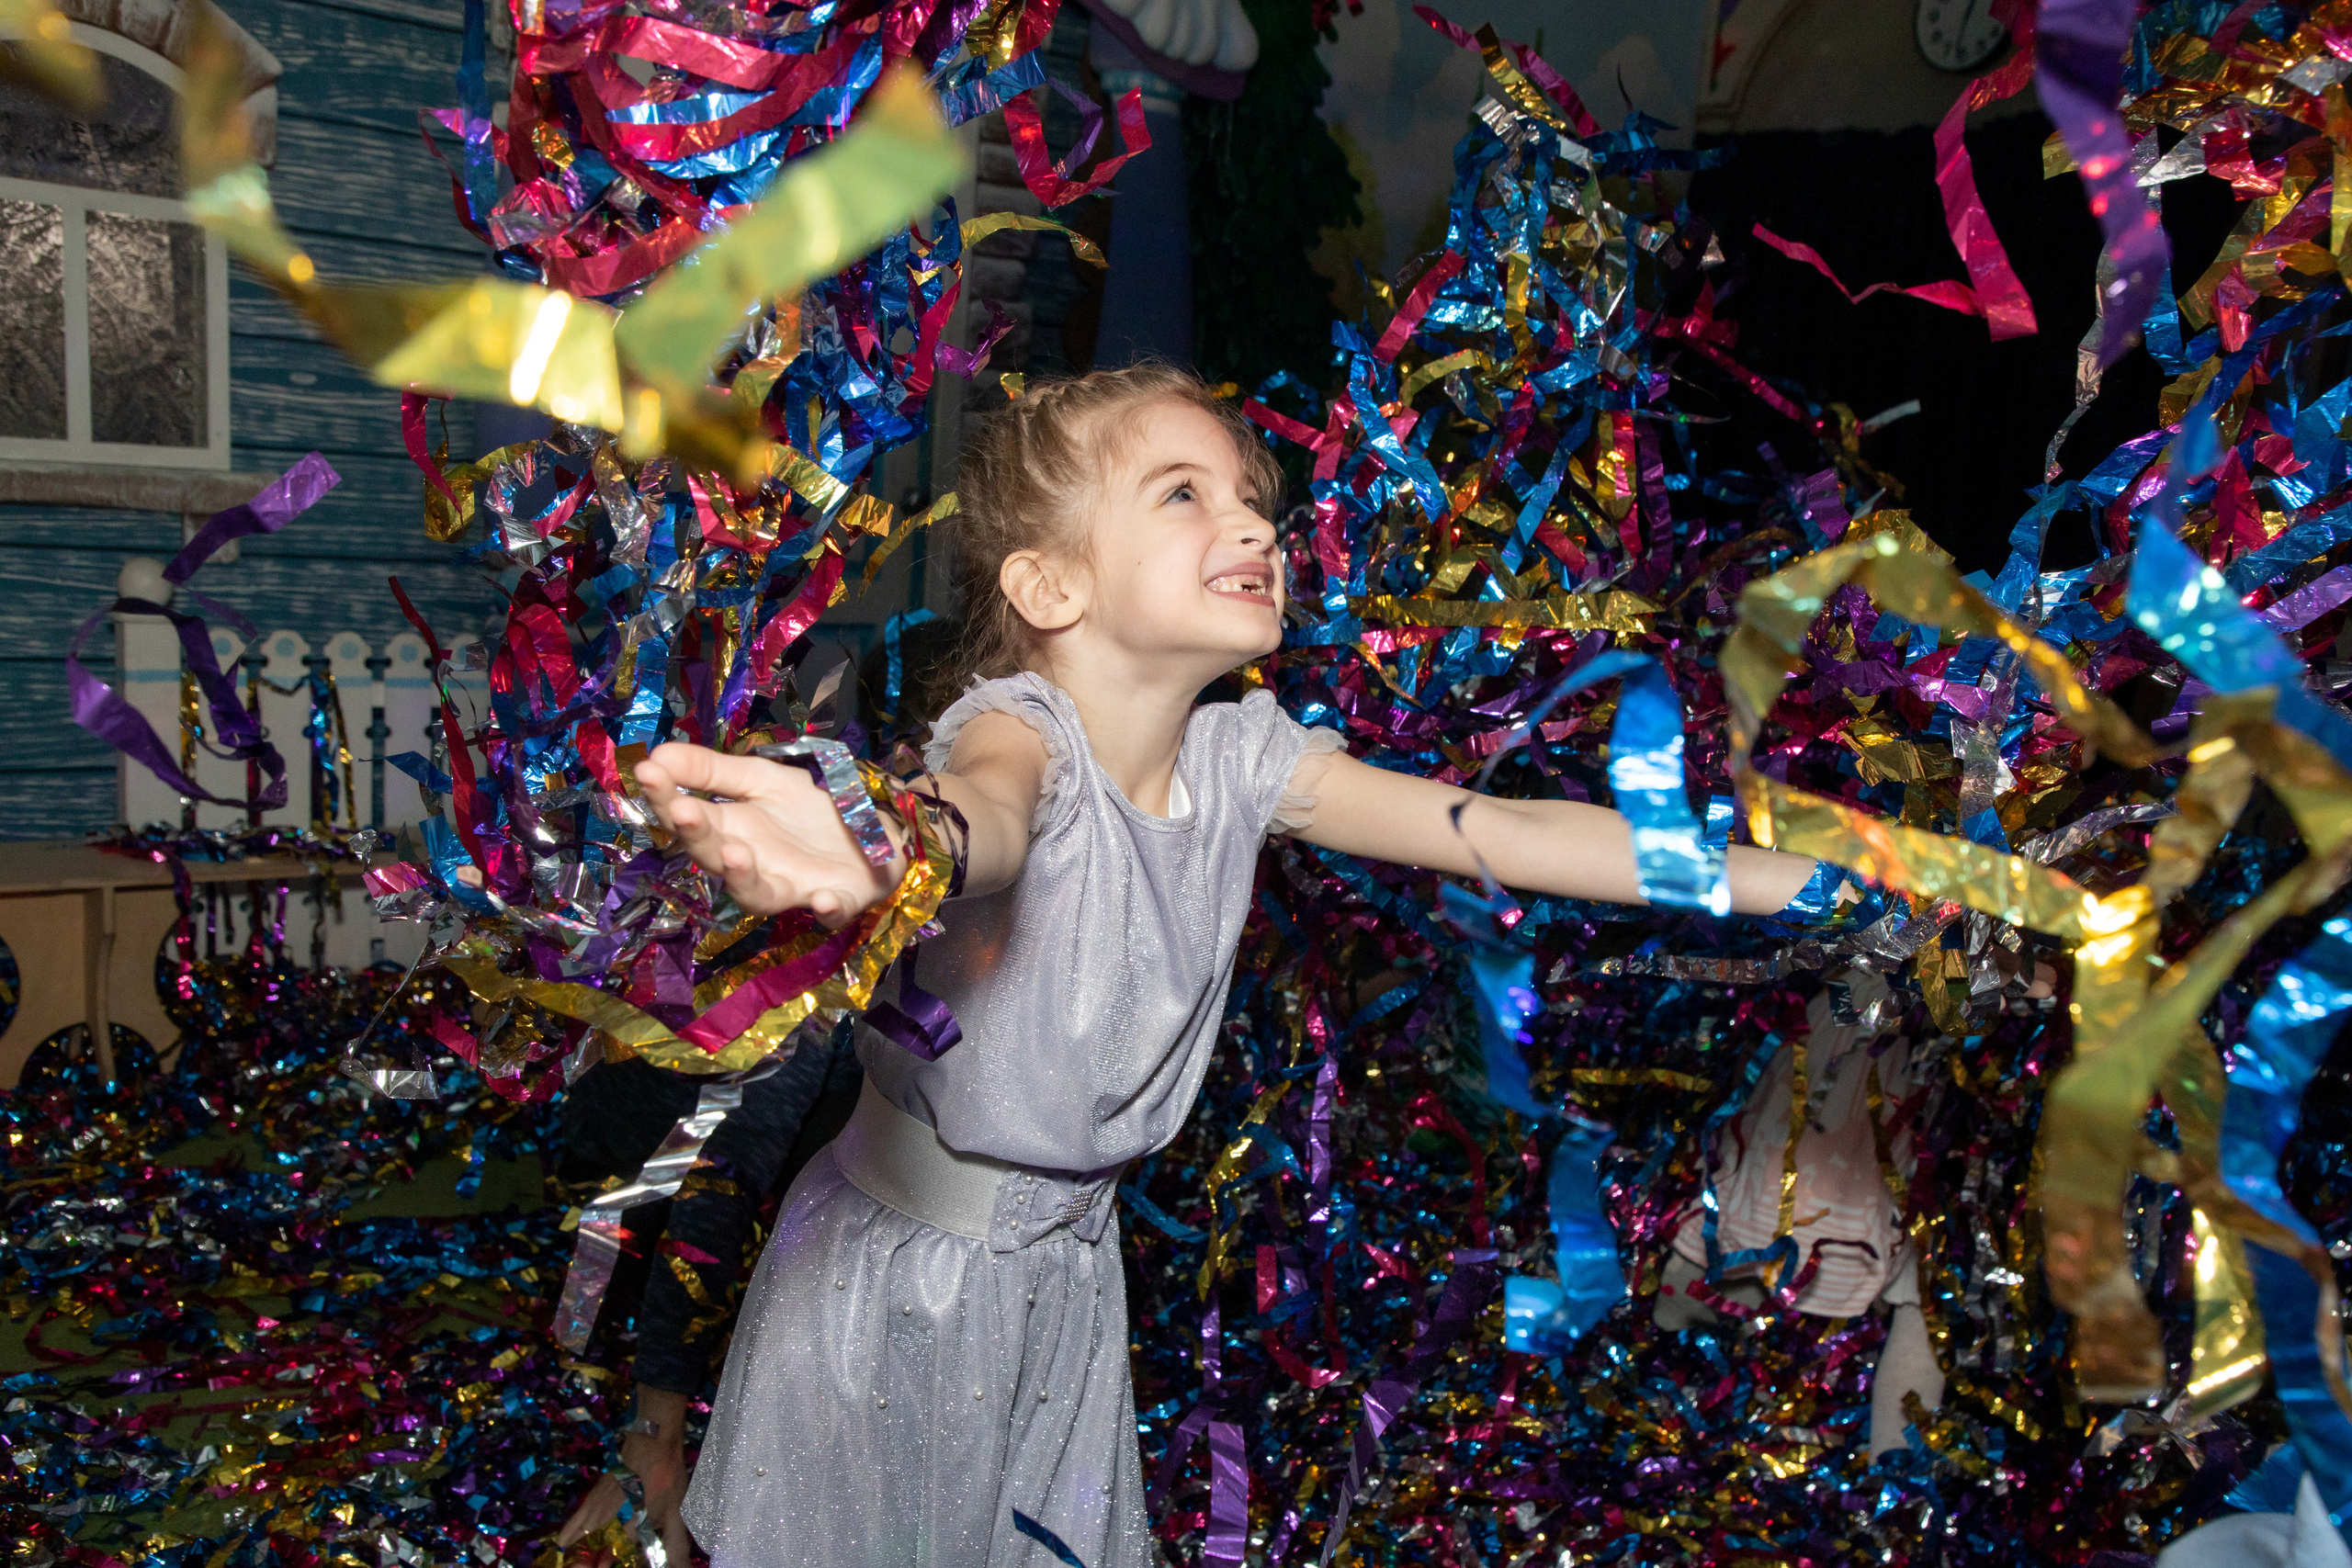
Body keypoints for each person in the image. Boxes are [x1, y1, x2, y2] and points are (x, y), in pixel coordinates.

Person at [629, 363, 1834, 1568]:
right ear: (1051, 585)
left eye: (1252, 496)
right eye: (1182, 494)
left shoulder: (1246, 761)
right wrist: (883, 847)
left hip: (1068, 1290)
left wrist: (1828, 880)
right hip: (892, 1295)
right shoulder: (1017, 730)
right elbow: (976, 817)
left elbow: (1507, 830)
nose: (1254, 520)